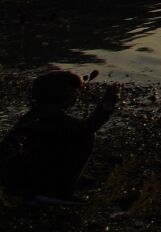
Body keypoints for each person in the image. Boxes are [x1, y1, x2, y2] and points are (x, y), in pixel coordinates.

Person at [1, 69, 118, 204]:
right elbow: (85, 129)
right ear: (60, 94)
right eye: (73, 90)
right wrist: (106, 107)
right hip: (35, 188)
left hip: (17, 179)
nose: (77, 94)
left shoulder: (33, 115)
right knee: (85, 137)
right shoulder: (51, 116)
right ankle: (56, 192)